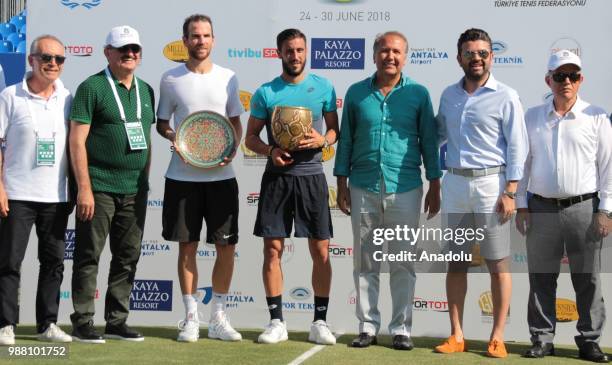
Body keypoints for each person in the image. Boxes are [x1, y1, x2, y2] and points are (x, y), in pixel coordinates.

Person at [334, 31, 441, 350]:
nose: (389, 56)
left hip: (405, 187)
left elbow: (429, 142)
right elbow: (347, 141)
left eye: (396, 51)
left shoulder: (419, 94)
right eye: (383, 50)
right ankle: (367, 325)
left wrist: (435, 183)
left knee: (402, 261)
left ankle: (401, 328)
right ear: (374, 55)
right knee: (366, 261)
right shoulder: (355, 93)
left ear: (405, 57)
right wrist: (341, 182)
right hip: (363, 185)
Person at [434, 28, 528, 358]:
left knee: (498, 264)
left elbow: (518, 146)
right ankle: (456, 335)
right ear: (459, 57)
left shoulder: (507, 95)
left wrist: (512, 191)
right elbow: (437, 136)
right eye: (470, 53)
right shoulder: (448, 95)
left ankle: (497, 337)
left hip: (493, 186)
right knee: (456, 263)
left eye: (483, 53)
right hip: (456, 183)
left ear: (492, 56)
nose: (477, 58)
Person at [516, 50, 611, 363]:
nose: (566, 81)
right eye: (559, 76)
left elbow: (609, 167)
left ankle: (589, 340)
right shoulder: (531, 117)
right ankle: (542, 339)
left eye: (573, 76)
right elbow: (524, 165)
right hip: (540, 208)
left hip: (584, 208)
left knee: (588, 278)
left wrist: (605, 210)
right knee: (541, 277)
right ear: (548, 80)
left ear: (581, 80)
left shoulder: (597, 117)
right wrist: (521, 205)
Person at [245, 28, 339, 345]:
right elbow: (250, 138)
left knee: (321, 251)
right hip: (278, 178)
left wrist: (323, 139)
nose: (295, 56)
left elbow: (334, 131)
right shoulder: (265, 93)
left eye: (300, 50)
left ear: (306, 52)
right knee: (272, 250)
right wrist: (270, 151)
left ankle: (320, 323)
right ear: (279, 53)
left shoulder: (323, 87)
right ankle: (276, 322)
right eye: (289, 50)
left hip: (312, 175)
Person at [156, 14, 243, 343]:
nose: (201, 41)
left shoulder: (228, 77)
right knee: (187, 246)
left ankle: (218, 316)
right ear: (185, 40)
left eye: (206, 35)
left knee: (225, 247)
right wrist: (173, 137)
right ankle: (191, 316)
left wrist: (233, 146)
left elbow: (235, 122)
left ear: (213, 40)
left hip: (222, 177)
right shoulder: (170, 79)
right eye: (195, 36)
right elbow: (162, 122)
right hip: (182, 176)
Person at [69, 25, 155, 343]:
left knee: (127, 256)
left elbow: (145, 139)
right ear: (108, 52)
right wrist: (85, 188)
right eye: (123, 49)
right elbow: (77, 142)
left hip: (135, 189)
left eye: (135, 49)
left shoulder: (146, 90)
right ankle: (82, 321)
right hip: (100, 186)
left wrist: (145, 181)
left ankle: (116, 321)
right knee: (89, 254)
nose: (130, 54)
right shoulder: (91, 87)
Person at [0, 35, 72, 345]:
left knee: (53, 263)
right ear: (31, 60)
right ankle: (5, 324)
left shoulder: (68, 98)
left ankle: (47, 324)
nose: (53, 63)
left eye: (59, 59)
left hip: (56, 196)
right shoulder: (9, 96)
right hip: (16, 194)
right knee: (8, 262)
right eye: (46, 57)